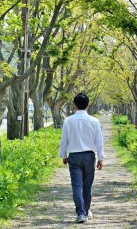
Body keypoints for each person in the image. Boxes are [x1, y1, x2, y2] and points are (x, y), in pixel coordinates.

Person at [58, 92, 105, 224]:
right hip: (89, 156)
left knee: (77, 186)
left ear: (75, 105)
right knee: (87, 186)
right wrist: (100, 158)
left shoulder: (68, 120)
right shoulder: (94, 121)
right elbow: (99, 141)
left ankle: (81, 213)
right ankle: (86, 210)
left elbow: (64, 140)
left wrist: (63, 155)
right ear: (88, 105)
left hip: (74, 157)